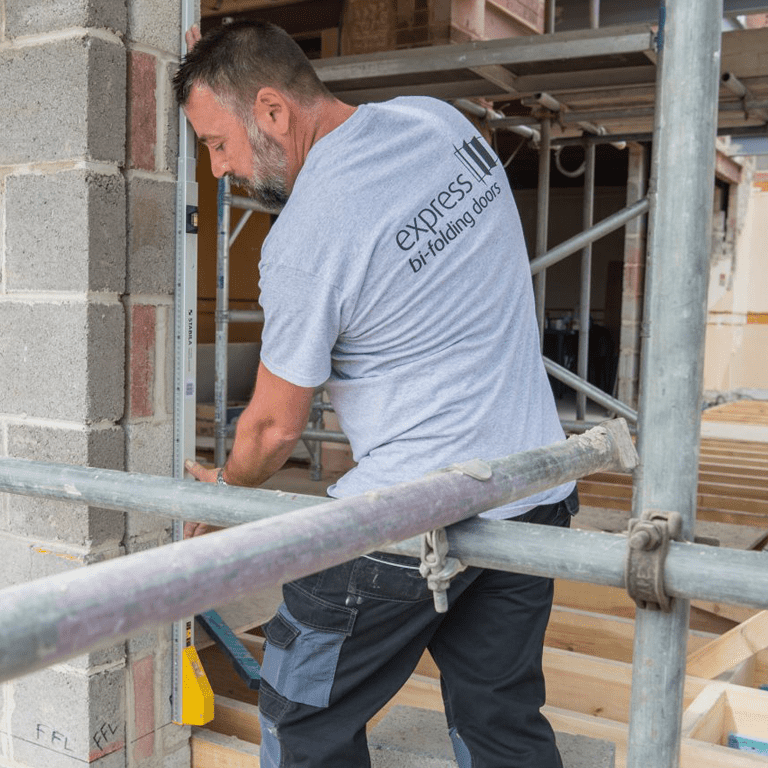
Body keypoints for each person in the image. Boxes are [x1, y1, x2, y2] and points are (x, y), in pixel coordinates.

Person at [174, 20, 578, 768]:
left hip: (409, 521)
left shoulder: (306, 236)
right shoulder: (438, 120)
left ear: (271, 110)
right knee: (500, 720)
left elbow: (271, 431)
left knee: (302, 720)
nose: (220, 169)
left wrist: (224, 491)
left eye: (216, 142)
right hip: (531, 490)